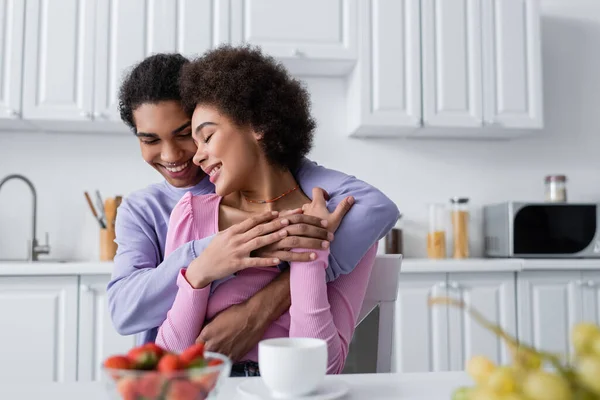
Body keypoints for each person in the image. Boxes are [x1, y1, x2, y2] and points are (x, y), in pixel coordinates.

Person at [107, 52, 399, 362]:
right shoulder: (173, 211)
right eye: (150, 140)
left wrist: (301, 260)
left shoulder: (318, 203)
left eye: (188, 135)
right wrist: (213, 258)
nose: (178, 155)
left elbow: (375, 205)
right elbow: (127, 314)